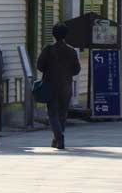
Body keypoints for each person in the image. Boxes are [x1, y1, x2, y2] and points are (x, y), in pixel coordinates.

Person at [36, 22, 81, 150]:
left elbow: (39, 66)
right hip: (66, 85)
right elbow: (76, 69)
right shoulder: (71, 51)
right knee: (62, 113)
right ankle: (57, 137)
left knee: (52, 113)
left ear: (53, 35)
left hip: (50, 84)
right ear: (66, 35)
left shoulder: (48, 49)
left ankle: (58, 136)